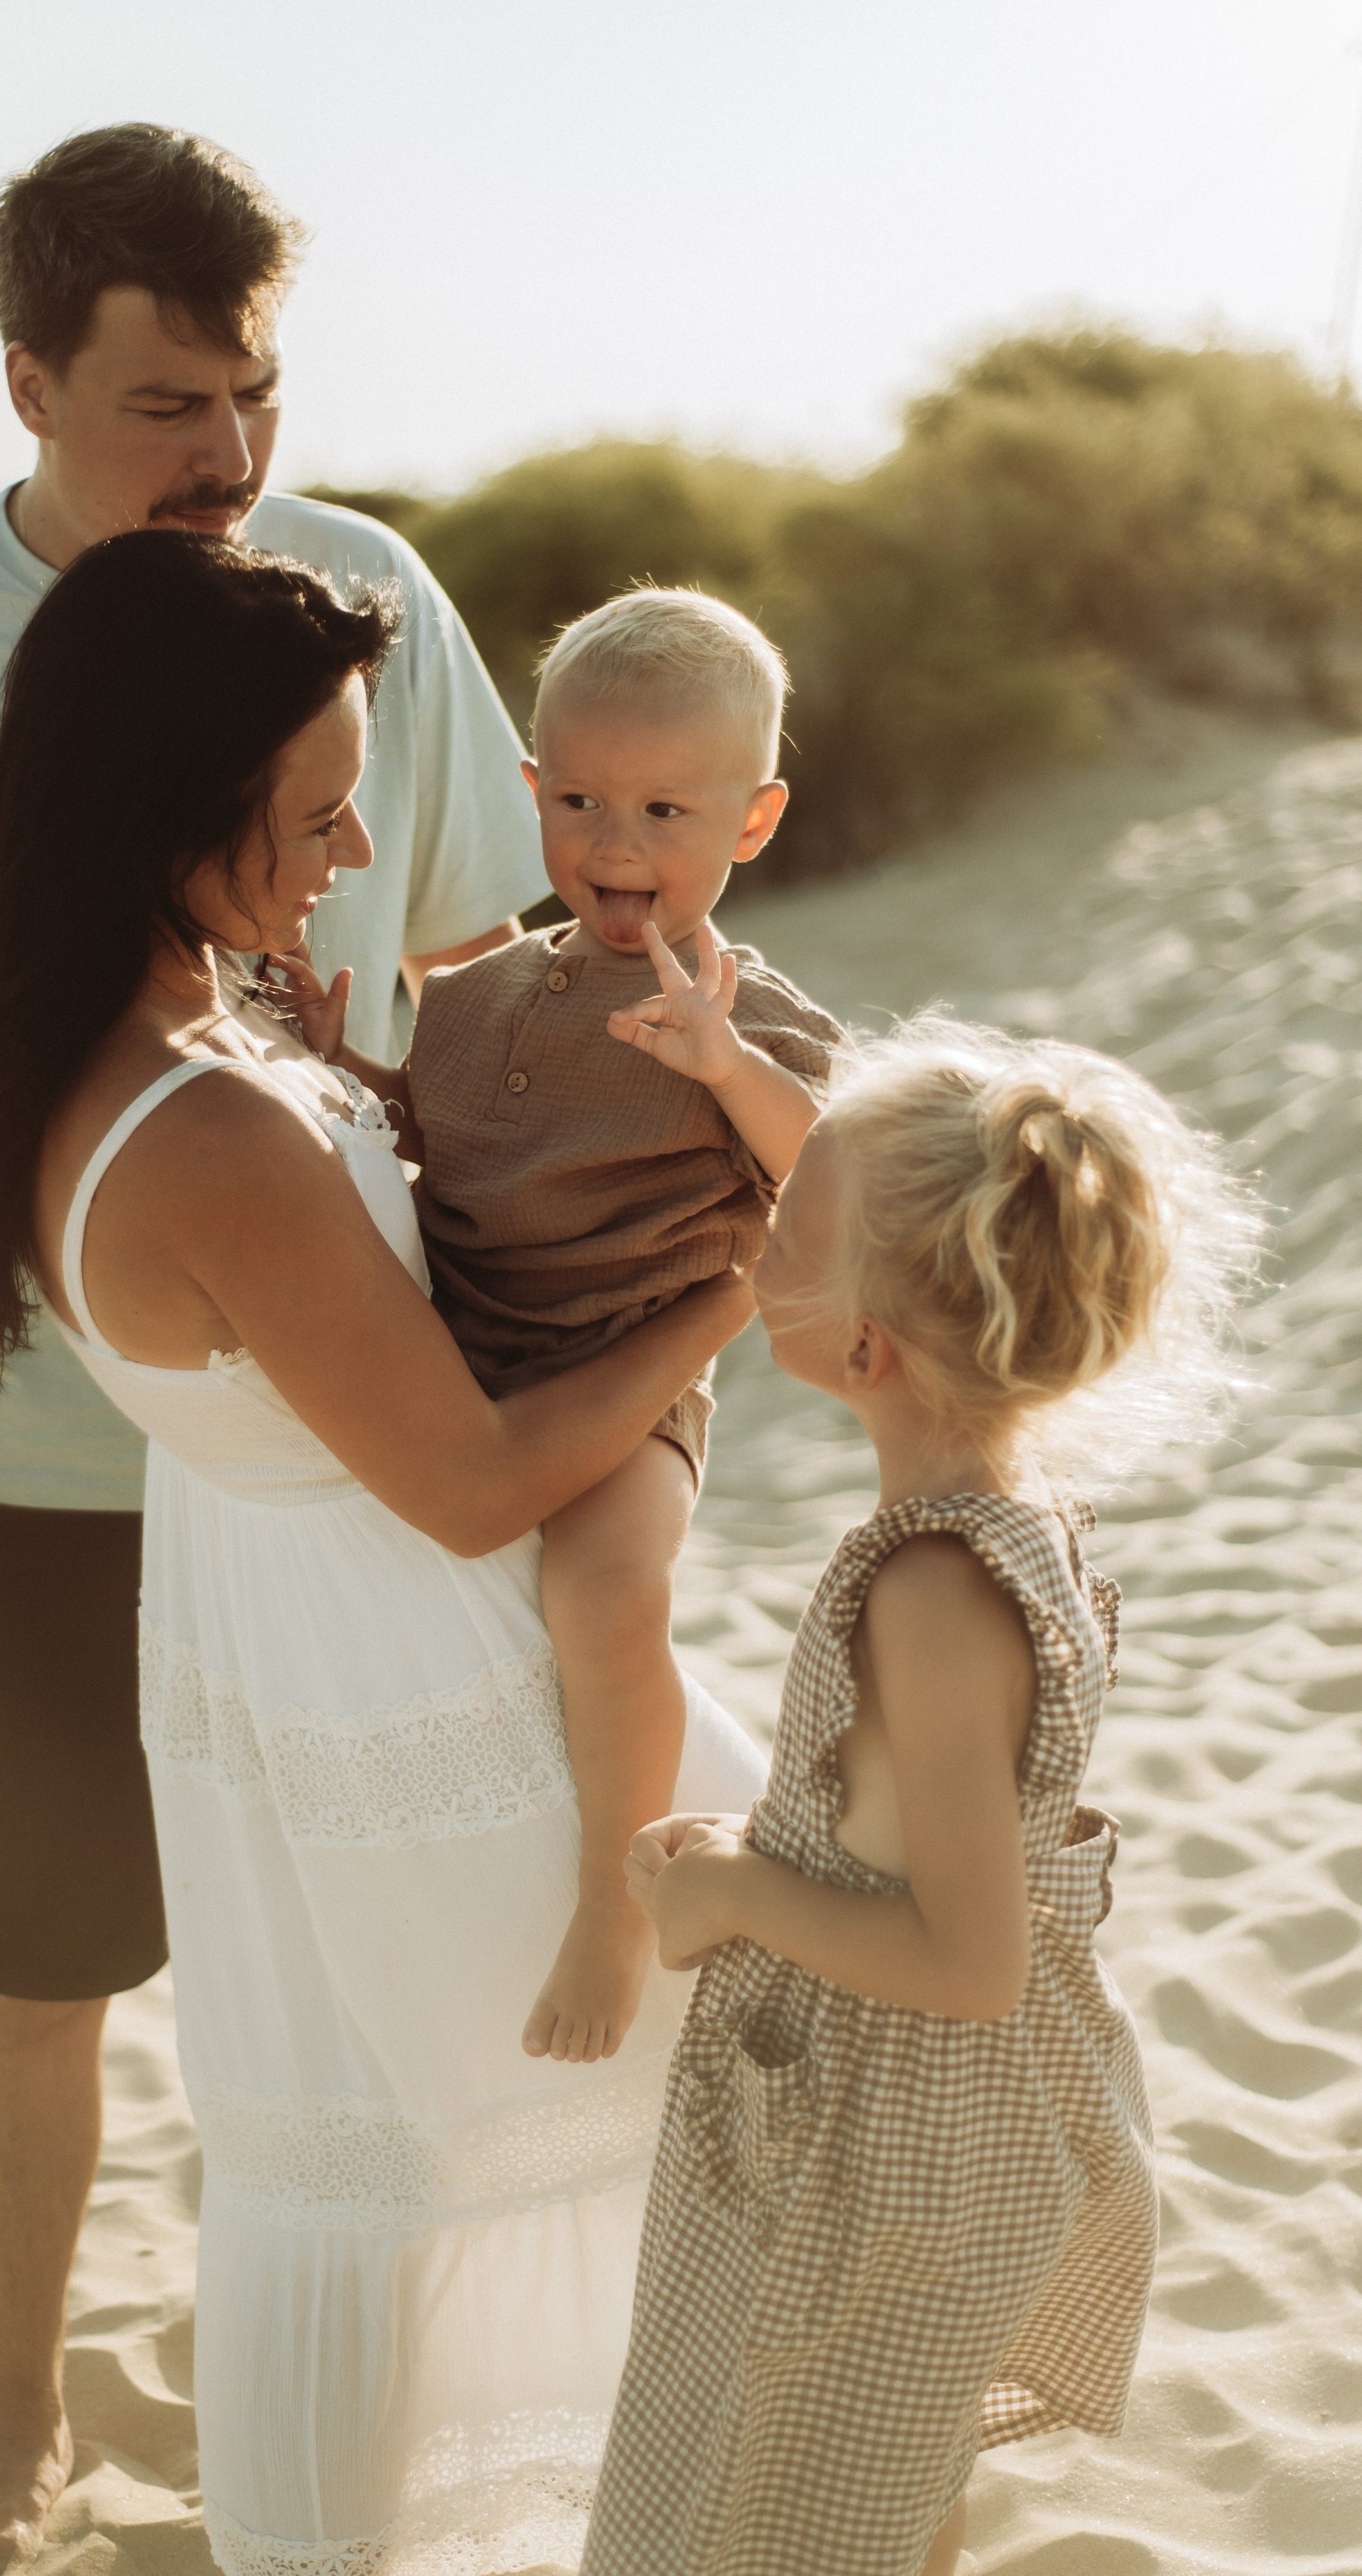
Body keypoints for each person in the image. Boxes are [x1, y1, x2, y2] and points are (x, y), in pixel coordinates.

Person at [0, 124, 549, 2573]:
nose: (230, 459)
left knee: (398, 1961)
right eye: (167, 402)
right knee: (39, 1959)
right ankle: (18, 2415)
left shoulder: (361, 590)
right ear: (30, 379)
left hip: (358, 1423)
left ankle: (430, 2384)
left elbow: (466, 964)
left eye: (255, 392)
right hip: (44, 1457)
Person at [0, 524, 770, 2572]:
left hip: (321, 1657)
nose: (362, 840)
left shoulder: (165, 1030)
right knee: (741, 2074)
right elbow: (474, 1481)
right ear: (172, 808)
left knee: (429, 2161)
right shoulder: (197, 1128)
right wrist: (738, 1286)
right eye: (313, 809)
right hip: (424, 1675)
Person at [584, 1018, 1256, 2576]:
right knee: (872, 2501)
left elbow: (965, 1959)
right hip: (930, 2124)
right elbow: (924, 1849)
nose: (762, 1236)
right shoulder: (1022, 1526)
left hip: (876, 2155)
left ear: (866, 1343)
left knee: (776, 2504)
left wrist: (734, 1893)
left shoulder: (930, 1593)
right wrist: (766, 1842)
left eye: (791, 1223)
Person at [267, 590, 840, 2065]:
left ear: (751, 822)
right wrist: (349, 1076)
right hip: (465, 1362)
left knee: (601, 1597)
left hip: (626, 1388)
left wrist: (723, 1073)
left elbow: (826, 1184)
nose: (614, 842)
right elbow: (434, 1146)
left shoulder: (745, 1016)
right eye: (577, 799)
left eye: (663, 807)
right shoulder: (473, 996)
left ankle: (609, 1903)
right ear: (529, 794)